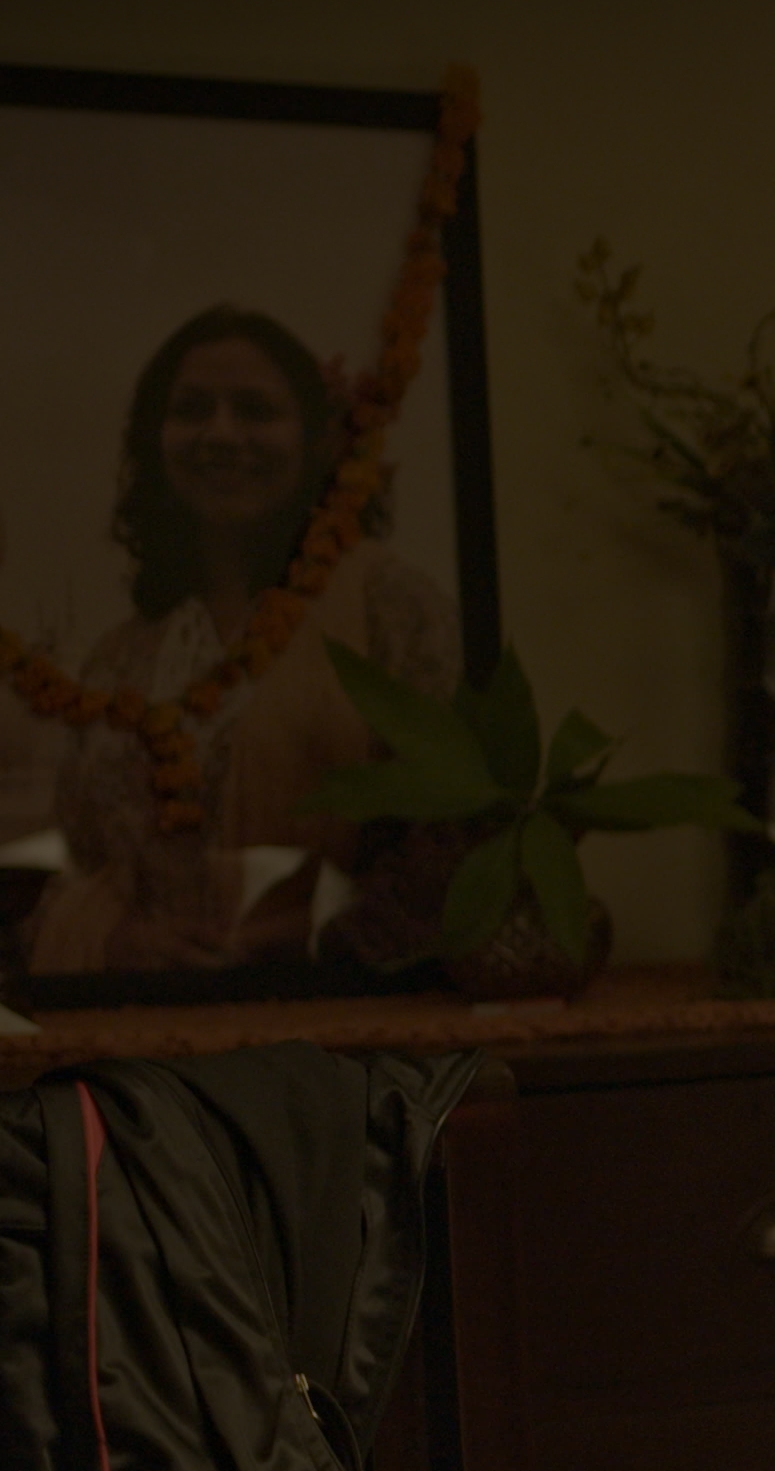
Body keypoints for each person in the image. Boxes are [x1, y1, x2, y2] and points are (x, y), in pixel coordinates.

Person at [28, 305, 457, 976]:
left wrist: (316, 935)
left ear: (317, 441)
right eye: (193, 408)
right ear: (155, 439)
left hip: (335, 1024)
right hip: (141, 1035)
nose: (221, 433)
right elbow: (80, 869)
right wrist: (115, 941)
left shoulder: (387, 607)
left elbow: (458, 831)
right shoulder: (121, 655)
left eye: (255, 410)